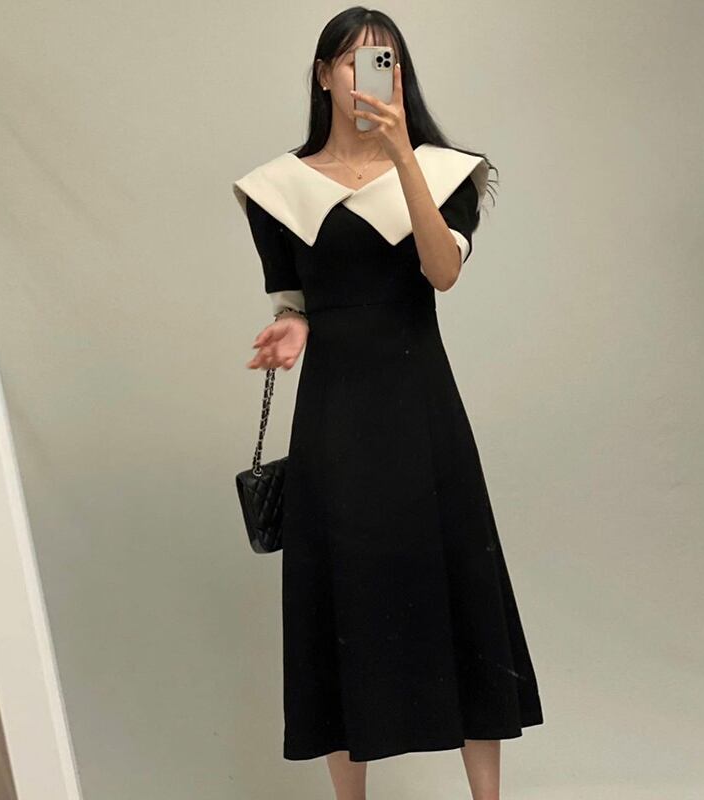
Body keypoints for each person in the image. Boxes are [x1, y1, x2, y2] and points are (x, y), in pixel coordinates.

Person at [232, 9, 543, 799]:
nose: (370, 74)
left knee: (460, 591)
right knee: (340, 598)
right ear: (322, 75)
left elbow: (442, 273)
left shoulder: (445, 172)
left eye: (387, 60)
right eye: (352, 60)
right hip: (333, 416)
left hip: (422, 410)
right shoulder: (277, 190)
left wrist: (402, 153)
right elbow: (296, 299)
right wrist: (291, 328)